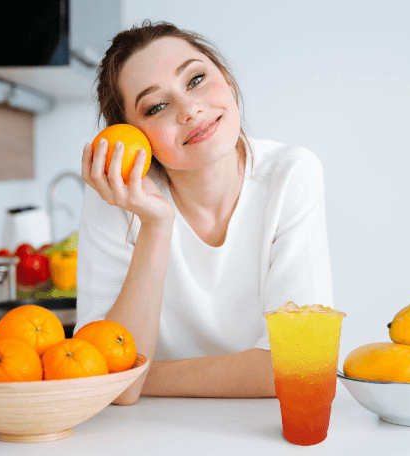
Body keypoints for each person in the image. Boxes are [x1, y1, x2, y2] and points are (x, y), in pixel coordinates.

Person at [77, 20, 333, 405]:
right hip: (143, 433)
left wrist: (142, 376)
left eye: (195, 79)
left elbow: (302, 364)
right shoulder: (118, 197)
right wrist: (156, 224)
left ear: (226, 79)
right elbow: (110, 382)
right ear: (133, 136)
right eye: (157, 106)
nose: (190, 109)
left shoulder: (291, 175)